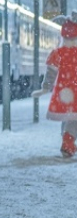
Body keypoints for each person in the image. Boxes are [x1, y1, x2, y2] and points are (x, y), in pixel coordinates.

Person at [32, 12, 77, 157]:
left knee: (69, 117)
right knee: (74, 119)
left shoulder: (58, 53)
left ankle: (67, 140)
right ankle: (68, 141)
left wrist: (45, 88)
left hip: (64, 92)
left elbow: (51, 73)